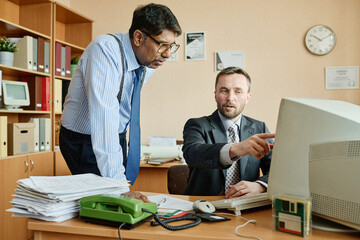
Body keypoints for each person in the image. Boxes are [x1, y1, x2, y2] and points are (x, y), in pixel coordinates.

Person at [59, 3, 182, 201]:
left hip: (117, 134)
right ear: (138, 37)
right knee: (107, 201)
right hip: (84, 138)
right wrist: (118, 188)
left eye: (172, 46)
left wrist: (119, 184)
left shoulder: (145, 58)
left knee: (116, 195)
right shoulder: (105, 51)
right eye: (162, 45)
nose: (168, 54)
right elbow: (104, 118)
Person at [182, 67, 275, 198]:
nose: (230, 98)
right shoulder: (196, 125)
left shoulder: (260, 128)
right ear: (215, 95)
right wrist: (235, 149)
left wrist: (260, 185)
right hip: (203, 207)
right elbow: (192, 154)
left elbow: (276, 171)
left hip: (245, 209)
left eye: (238, 92)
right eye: (224, 91)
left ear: (247, 97)